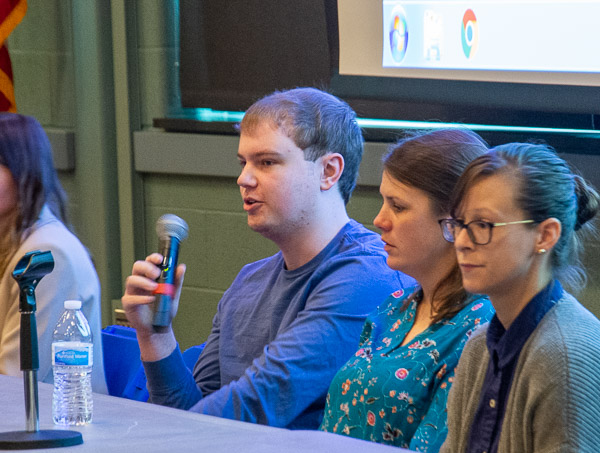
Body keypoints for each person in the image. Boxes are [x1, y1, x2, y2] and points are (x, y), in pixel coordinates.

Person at [122, 87, 415, 429]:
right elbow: (194, 409)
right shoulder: (248, 282)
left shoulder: (367, 276)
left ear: (329, 171)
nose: (243, 179)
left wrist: (155, 439)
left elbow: (256, 403)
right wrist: (155, 336)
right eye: (243, 162)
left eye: (267, 162)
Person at [319, 129, 494, 453]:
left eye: (398, 207)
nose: (379, 220)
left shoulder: (479, 330)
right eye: (384, 202)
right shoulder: (394, 307)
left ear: (453, 221)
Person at [439, 143, 600, 453]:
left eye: (483, 224)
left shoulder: (566, 356)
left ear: (545, 235)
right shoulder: (479, 347)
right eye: (458, 223)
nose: (461, 241)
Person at [0, 113, 107, 393]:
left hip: (60, 427)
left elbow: (13, 382)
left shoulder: (47, 255)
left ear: (24, 173)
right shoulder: (12, 243)